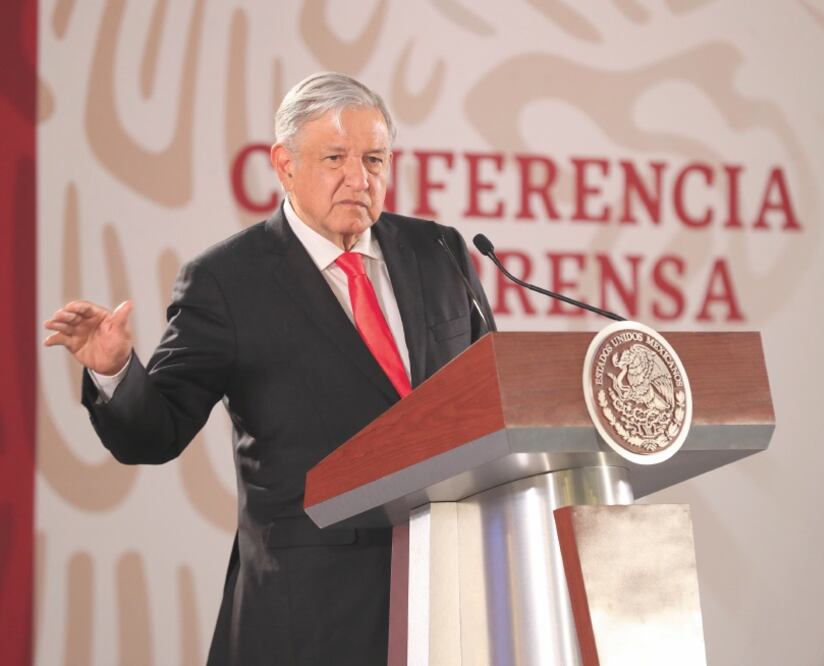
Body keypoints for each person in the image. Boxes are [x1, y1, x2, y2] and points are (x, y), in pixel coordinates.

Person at [43, 72, 495, 665]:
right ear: (285, 165)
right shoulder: (228, 281)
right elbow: (157, 433)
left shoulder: (440, 251)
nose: (359, 178)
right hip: (308, 607)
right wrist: (117, 372)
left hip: (452, 592)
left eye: (374, 159)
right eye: (335, 158)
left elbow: (490, 395)